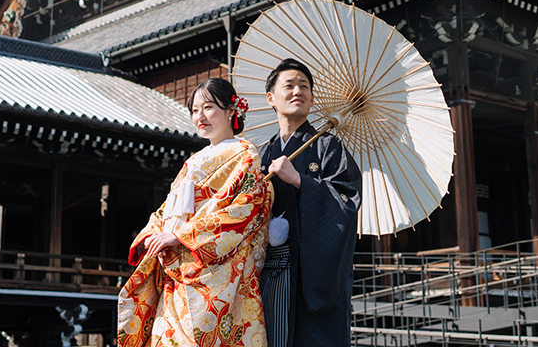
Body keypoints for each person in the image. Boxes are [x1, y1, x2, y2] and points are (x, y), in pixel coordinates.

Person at [117, 78, 273, 347]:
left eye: (209, 107)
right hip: (175, 266)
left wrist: (179, 236)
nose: (200, 116)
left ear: (232, 110)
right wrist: (153, 232)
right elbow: (168, 209)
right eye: (194, 110)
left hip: (213, 267)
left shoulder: (245, 153)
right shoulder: (192, 161)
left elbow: (241, 210)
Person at [260, 58, 363, 347]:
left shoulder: (328, 147)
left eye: (304, 86)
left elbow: (347, 202)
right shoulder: (263, 154)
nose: (297, 91)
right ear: (271, 98)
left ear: (312, 98)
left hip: (312, 274)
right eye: (289, 85)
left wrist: (300, 181)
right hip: (267, 269)